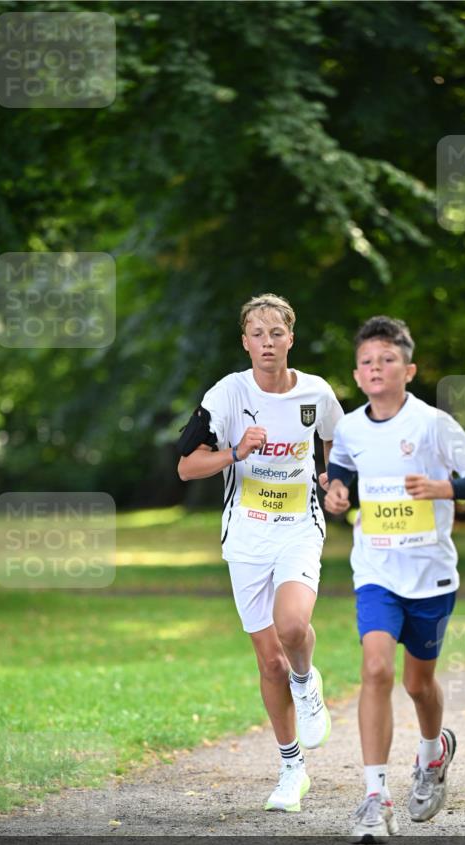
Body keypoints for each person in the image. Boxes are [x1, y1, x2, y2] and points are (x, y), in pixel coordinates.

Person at [325, 316, 465, 843]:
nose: (376, 368)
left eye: (387, 359)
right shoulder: (350, 428)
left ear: (409, 370)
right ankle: (375, 798)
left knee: (417, 684)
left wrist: (444, 489)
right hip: (376, 571)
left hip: (431, 577)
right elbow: (342, 470)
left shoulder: (432, 424)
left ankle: (432, 754)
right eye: (367, 362)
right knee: (376, 669)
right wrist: (338, 491)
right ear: (357, 375)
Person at [177, 293, 344, 813]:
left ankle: (306, 681)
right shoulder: (227, 394)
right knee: (269, 662)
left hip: (299, 527)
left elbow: (336, 442)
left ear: (291, 338)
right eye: (257, 334)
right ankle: (292, 768)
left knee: (292, 627)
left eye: (276, 333)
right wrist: (235, 452)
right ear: (245, 342)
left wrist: (333, 477)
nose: (267, 342)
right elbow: (187, 466)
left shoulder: (316, 392)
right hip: (246, 537)